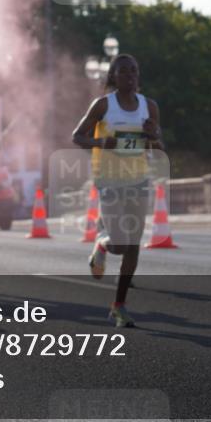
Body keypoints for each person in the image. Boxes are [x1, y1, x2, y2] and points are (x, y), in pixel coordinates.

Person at [72, 54, 164, 328]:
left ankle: (119, 306)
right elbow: (77, 137)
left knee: (134, 244)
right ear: (113, 76)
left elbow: (159, 147)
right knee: (119, 244)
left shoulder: (149, 106)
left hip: (138, 179)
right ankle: (102, 243)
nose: (130, 76)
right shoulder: (103, 105)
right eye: (124, 71)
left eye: (134, 71)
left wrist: (153, 135)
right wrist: (103, 142)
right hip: (110, 180)